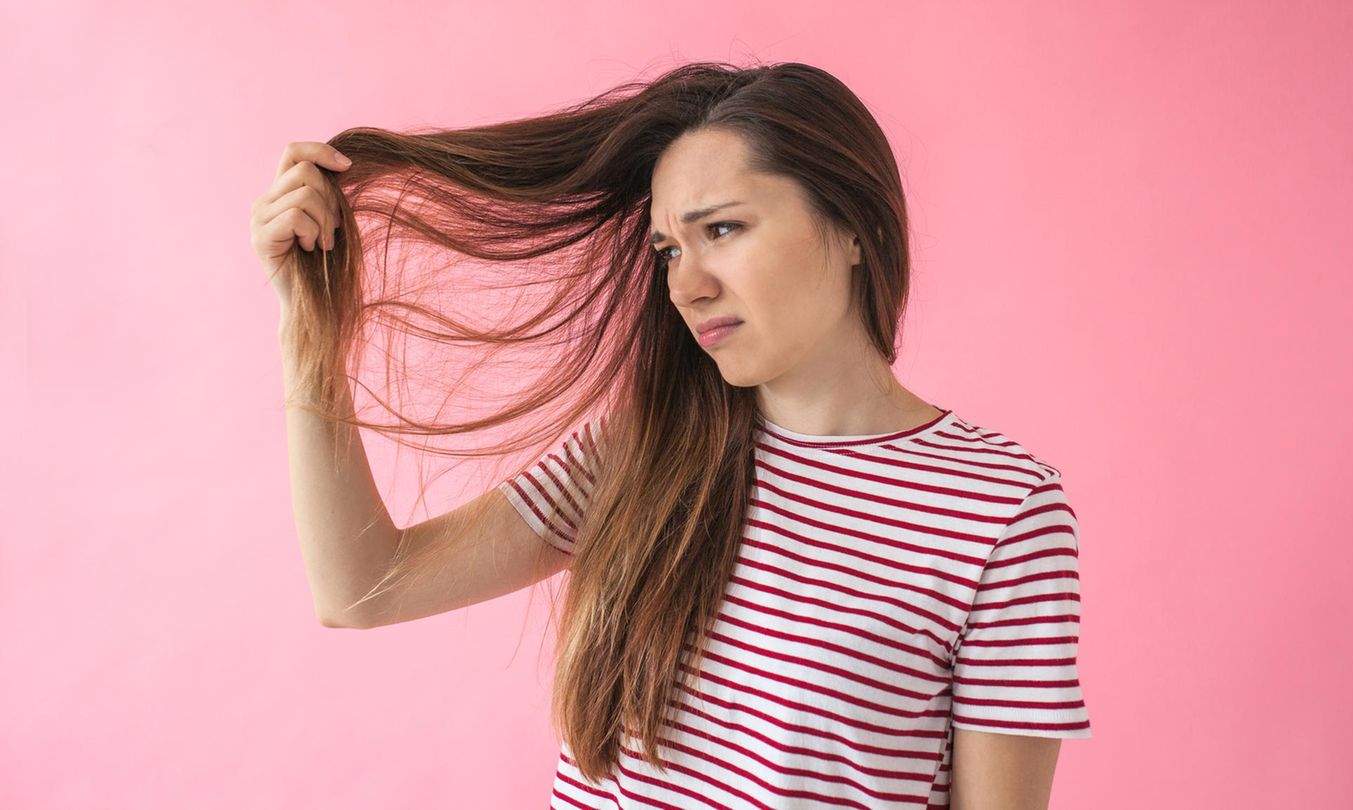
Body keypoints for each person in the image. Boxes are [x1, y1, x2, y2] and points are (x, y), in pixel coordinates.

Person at [251, 61, 1091, 809]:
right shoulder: (641, 454)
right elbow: (363, 588)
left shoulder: (1001, 510)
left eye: (722, 229)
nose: (685, 284)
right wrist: (308, 326)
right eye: (665, 249)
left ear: (852, 228)